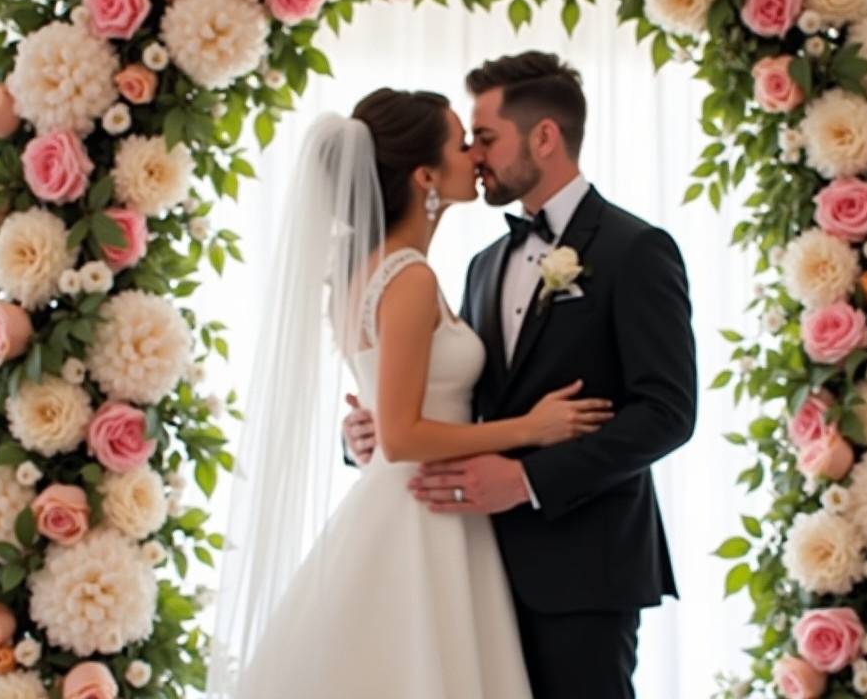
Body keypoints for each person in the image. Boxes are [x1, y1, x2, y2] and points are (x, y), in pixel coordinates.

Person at [205, 88, 614, 699]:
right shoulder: (410, 277)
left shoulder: (370, 270)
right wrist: (533, 428)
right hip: (423, 510)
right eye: (459, 143)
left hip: (421, 504)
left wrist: (362, 430)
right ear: (425, 173)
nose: (474, 155)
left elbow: (389, 415)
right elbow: (400, 436)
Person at [344, 52, 697, 699]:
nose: (475, 155)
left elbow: (668, 413)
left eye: (486, 137)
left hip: (585, 567)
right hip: (475, 563)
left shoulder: (636, 250)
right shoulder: (482, 263)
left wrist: (530, 480)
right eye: (468, 141)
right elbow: (452, 400)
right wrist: (365, 432)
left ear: (543, 137)